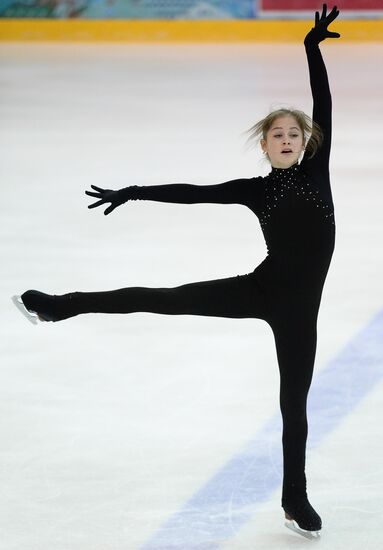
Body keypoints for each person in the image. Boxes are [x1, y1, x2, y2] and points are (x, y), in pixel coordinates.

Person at [13, 4, 340, 537]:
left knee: (294, 407)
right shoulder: (254, 191)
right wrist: (136, 191)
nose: (287, 139)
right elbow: (192, 195)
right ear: (264, 145)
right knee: (158, 296)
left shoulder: (316, 173)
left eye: (295, 135)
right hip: (261, 290)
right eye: (277, 134)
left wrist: (311, 48)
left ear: (306, 144)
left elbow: (322, 103)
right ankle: (58, 306)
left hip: (299, 311)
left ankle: (293, 498)